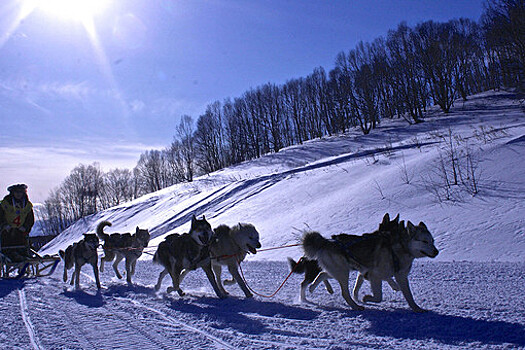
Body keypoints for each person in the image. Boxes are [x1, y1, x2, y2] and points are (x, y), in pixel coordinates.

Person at [0, 184, 35, 262]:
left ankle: (24, 258)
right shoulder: (5, 204)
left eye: (21, 192)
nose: (19, 194)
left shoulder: (27, 205)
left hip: (21, 232)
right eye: (16, 192)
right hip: (6, 232)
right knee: (8, 248)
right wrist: (4, 225)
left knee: (23, 246)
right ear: (12, 193)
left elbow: (30, 219)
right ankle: (15, 257)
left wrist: (26, 227)